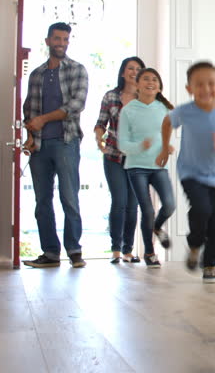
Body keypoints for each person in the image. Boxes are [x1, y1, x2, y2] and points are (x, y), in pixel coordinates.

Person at [159, 61, 215, 284]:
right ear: (189, 89)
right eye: (199, 84)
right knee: (202, 208)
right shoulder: (185, 111)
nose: (205, 89)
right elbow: (167, 123)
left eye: (211, 84)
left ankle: (210, 264)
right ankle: (195, 245)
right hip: (190, 172)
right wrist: (165, 147)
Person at [22, 22, 89, 268]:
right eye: (57, 39)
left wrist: (44, 119)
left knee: (69, 197)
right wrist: (30, 133)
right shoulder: (37, 74)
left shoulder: (77, 70)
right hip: (39, 146)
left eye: (65, 39)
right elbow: (29, 108)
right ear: (48, 41)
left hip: (66, 141)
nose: (61, 43)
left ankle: (74, 251)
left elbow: (76, 105)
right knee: (42, 201)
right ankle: (50, 253)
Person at [117, 68, 176, 269]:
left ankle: (157, 228)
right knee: (148, 210)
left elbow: (167, 136)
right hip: (136, 167)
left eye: (154, 80)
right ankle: (150, 253)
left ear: (159, 86)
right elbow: (122, 144)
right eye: (146, 79)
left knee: (169, 205)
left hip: (158, 166)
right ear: (138, 84)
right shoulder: (128, 110)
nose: (150, 82)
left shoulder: (164, 109)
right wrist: (139, 146)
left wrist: (168, 147)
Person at [95, 56, 145, 264]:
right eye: (130, 68)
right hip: (114, 156)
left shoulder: (148, 98)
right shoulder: (111, 96)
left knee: (132, 205)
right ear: (123, 72)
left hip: (137, 159)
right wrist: (99, 139)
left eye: (138, 69)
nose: (134, 72)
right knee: (119, 202)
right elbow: (101, 123)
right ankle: (115, 249)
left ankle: (128, 250)